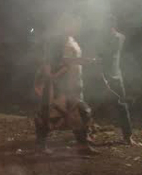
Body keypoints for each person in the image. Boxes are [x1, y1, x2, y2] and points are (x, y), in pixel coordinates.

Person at [34, 15, 98, 154]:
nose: (77, 27)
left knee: (80, 113)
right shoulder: (56, 40)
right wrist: (79, 61)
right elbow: (52, 61)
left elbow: (70, 59)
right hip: (58, 85)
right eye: (73, 24)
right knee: (50, 114)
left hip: (73, 84)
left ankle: (82, 146)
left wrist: (82, 61)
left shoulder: (72, 40)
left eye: (77, 25)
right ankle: (41, 146)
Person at [97, 14, 139, 146]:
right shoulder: (102, 38)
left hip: (115, 76)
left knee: (122, 106)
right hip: (102, 77)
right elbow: (100, 56)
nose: (106, 27)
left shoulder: (119, 38)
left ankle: (128, 137)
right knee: (92, 106)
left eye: (108, 24)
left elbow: (109, 53)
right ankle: (85, 135)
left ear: (113, 25)